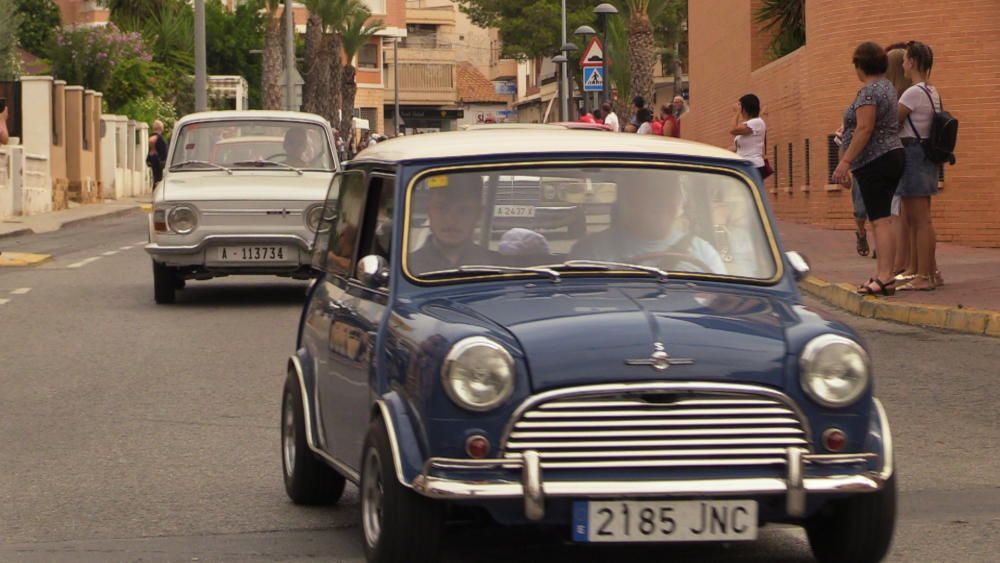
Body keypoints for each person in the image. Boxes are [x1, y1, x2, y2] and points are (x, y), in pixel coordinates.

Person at [831, 42, 905, 297]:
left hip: (877, 159)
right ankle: (884, 274)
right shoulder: (887, 88)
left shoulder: (869, 92)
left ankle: (885, 276)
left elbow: (865, 128)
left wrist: (845, 162)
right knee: (883, 219)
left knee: (880, 220)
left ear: (860, 65)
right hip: (891, 155)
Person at [572, 183, 726, 274]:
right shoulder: (591, 252)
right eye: (652, 193)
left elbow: (723, 305)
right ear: (630, 201)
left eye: (668, 193)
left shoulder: (704, 253)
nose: (662, 203)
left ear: (678, 202)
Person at [895, 40, 943, 291]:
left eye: (904, 60)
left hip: (913, 153)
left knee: (920, 220)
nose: (902, 64)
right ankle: (927, 270)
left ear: (912, 61)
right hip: (926, 155)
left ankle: (924, 276)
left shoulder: (913, 93)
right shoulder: (932, 91)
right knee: (918, 218)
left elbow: (894, 122)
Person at [408, 175, 501, 274]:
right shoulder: (408, 267)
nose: (451, 220)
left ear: (478, 214)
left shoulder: (497, 267)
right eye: (441, 208)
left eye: (464, 210)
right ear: (429, 210)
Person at [885, 44, 915, 279]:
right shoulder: (910, 93)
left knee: (899, 215)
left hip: (899, 156)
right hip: (906, 155)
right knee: (904, 214)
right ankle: (906, 264)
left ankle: (899, 263)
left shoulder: (901, 98)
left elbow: (889, 127)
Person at [729, 94, 767, 175]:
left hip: (753, 166)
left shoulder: (756, 122)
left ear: (745, 108)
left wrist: (737, 113)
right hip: (744, 165)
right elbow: (739, 148)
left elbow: (733, 130)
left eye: (740, 105)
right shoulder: (748, 124)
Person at [146, 120, 168, 186]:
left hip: (153, 160)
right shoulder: (159, 138)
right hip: (159, 162)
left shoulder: (151, 137)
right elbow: (162, 151)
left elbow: (150, 151)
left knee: (155, 179)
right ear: (160, 128)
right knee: (159, 180)